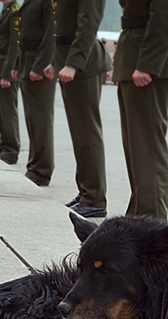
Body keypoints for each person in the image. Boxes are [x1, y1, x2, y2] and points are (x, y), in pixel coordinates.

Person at [112, 0, 168, 220]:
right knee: (137, 150)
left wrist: (147, 63)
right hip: (133, 53)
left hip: (146, 58)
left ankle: (151, 220)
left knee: (147, 148)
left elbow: (164, 14)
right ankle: (139, 214)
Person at [47, 0, 112, 218]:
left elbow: (88, 22)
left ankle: (94, 198)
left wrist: (73, 62)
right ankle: (86, 193)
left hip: (83, 63)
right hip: (70, 59)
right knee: (80, 134)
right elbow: (64, 27)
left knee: (87, 133)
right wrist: (57, 62)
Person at [12, 0, 54, 187]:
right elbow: (24, 36)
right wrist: (17, 64)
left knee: (41, 119)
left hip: (38, 64)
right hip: (28, 61)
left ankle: (42, 169)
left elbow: (50, 34)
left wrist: (40, 65)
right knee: (33, 120)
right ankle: (35, 166)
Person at [0, 0, 20, 164]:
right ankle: (4, 146)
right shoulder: (6, 10)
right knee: (1, 111)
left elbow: (15, 45)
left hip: (6, 67)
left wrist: (7, 74)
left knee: (8, 111)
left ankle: (11, 149)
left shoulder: (14, 11)